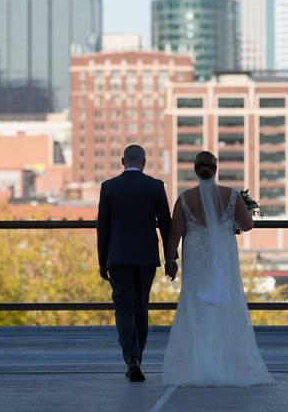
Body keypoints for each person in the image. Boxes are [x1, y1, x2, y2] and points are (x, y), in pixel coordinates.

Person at [161, 151, 274, 386]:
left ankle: (199, 363)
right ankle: (226, 362)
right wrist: (243, 210)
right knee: (226, 302)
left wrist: (171, 260)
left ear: (195, 169)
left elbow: (175, 233)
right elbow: (247, 225)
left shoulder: (184, 198)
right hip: (223, 254)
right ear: (216, 169)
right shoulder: (231, 195)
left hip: (197, 255)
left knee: (196, 304)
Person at [97, 144, 176, 383]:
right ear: (144, 161)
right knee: (141, 306)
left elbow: (104, 228)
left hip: (118, 258)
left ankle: (131, 358)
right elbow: (166, 225)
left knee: (123, 308)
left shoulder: (108, 187)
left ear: (123, 161)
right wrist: (170, 258)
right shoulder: (155, 187)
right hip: (145, 257)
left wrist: (103, 262)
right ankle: (137, 357)